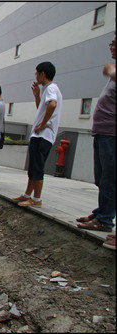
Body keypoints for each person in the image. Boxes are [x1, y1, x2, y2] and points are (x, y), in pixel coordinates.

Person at [77, 35, 115, 247]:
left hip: (112, 133)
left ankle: (105, 220)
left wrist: (111, 70)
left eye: (114, 44)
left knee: (109, 177)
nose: (111, 47)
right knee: (101, 177)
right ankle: (101, 212)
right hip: (102, 132)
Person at [12, 61, 62, 207]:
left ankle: (37, 199)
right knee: (33, 166)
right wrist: (37, 96)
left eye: (37, 73)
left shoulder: (51, 88)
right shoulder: (47, 89)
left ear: (43, 74)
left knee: (38, 166)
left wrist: (42, 125)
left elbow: (52, 105)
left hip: (43, 135)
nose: (36, 76)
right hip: (39, 135)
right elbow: (43, 108)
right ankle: (27, 195)